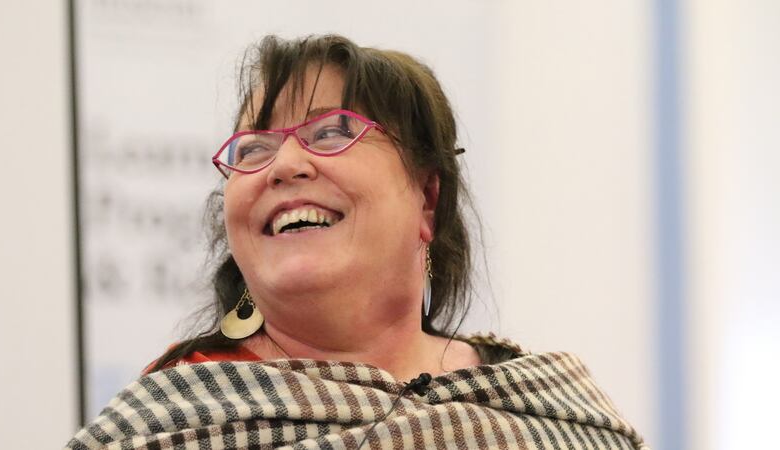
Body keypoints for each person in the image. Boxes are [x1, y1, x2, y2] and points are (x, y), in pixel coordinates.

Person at [66, 35, 648, 449]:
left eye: (330, 132)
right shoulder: (176, 421)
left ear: (427, 198)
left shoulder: (548, 413)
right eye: (254, 148)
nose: (284, 165)